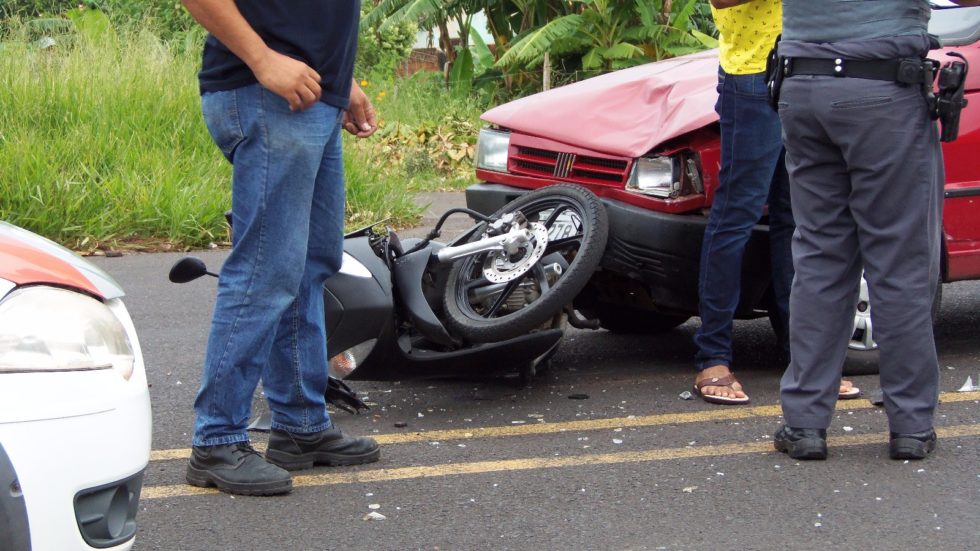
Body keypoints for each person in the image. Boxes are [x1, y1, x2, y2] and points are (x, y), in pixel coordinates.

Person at [180, 0, 381, 495]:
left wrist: (339, 82)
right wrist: (263, 59)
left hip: (312, 96)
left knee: (310, 266)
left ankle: (300, 428)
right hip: (267, 94)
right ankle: (217, 440)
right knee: (265, 272)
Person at [773, 0, 980, 461]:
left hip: (803, 84)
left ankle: (805, 423)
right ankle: (910, 425)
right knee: (898, 262)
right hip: (882, 88)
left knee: (819, 257)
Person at [692, 0, 860, 405]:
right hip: (753, 75)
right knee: (737, 215)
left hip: (812, 70)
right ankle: (712, 356)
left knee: (800, 219)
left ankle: (803, 358)